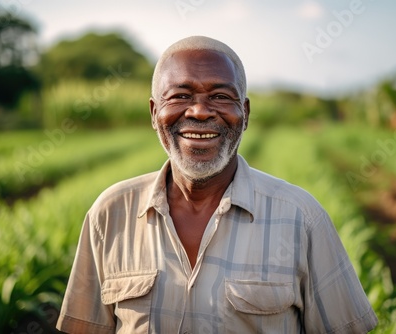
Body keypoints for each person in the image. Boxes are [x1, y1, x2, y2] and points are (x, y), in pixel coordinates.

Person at [56, 35, 378, 333]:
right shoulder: (110, 214)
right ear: (155, 113)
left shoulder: (302, 218)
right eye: (180, 95)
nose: (199, 111)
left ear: (245, 113)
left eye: (221, 96)